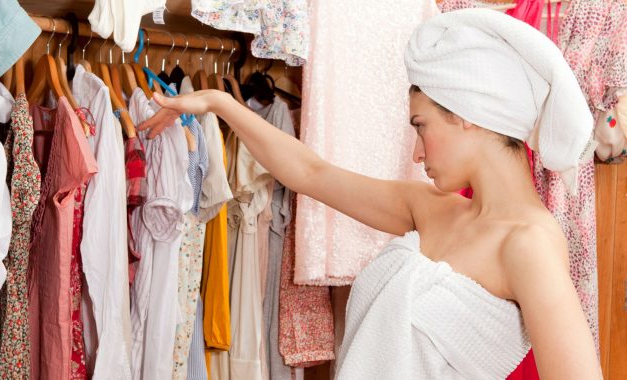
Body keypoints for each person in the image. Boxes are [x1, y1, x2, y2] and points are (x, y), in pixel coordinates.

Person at [138, 9, 603, 380]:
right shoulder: (431, 208)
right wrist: (218, 103)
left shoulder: (528, 245)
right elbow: (309, 171)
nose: (417, 153)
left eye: (421, 127)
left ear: (468, 115)